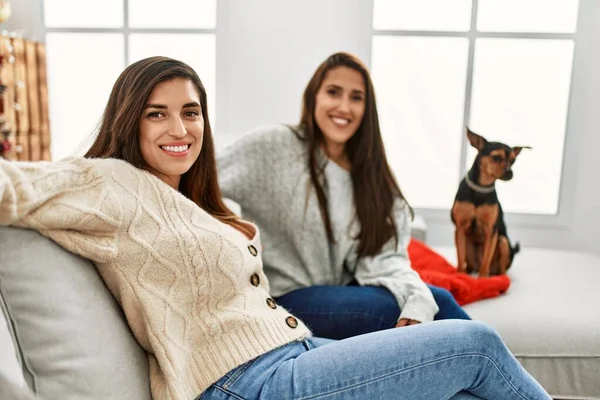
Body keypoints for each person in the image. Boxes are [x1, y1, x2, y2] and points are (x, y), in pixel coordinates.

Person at [0, 56, 550, 400]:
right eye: (156, 113)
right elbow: (16, 186)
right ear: (128, 119)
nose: (179, 128)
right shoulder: (112, 184)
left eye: (191, 112)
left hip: (295, 351)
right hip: (246, 384)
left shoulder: (190, 199)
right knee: (476, 345)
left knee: (456, 389)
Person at [217, 52, 470, 340]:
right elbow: (201, 182)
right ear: (314, 97)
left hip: (340, 291)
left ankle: (488, 378)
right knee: (404, 312)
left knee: (434, 300)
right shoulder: (274, 145)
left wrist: (417, 297)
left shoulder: (372, 177)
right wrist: (230, 225)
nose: (343, 106)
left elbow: (386, 258)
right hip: (282, 297)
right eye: (333, 92)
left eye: (356, 97)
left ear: (367, 108)